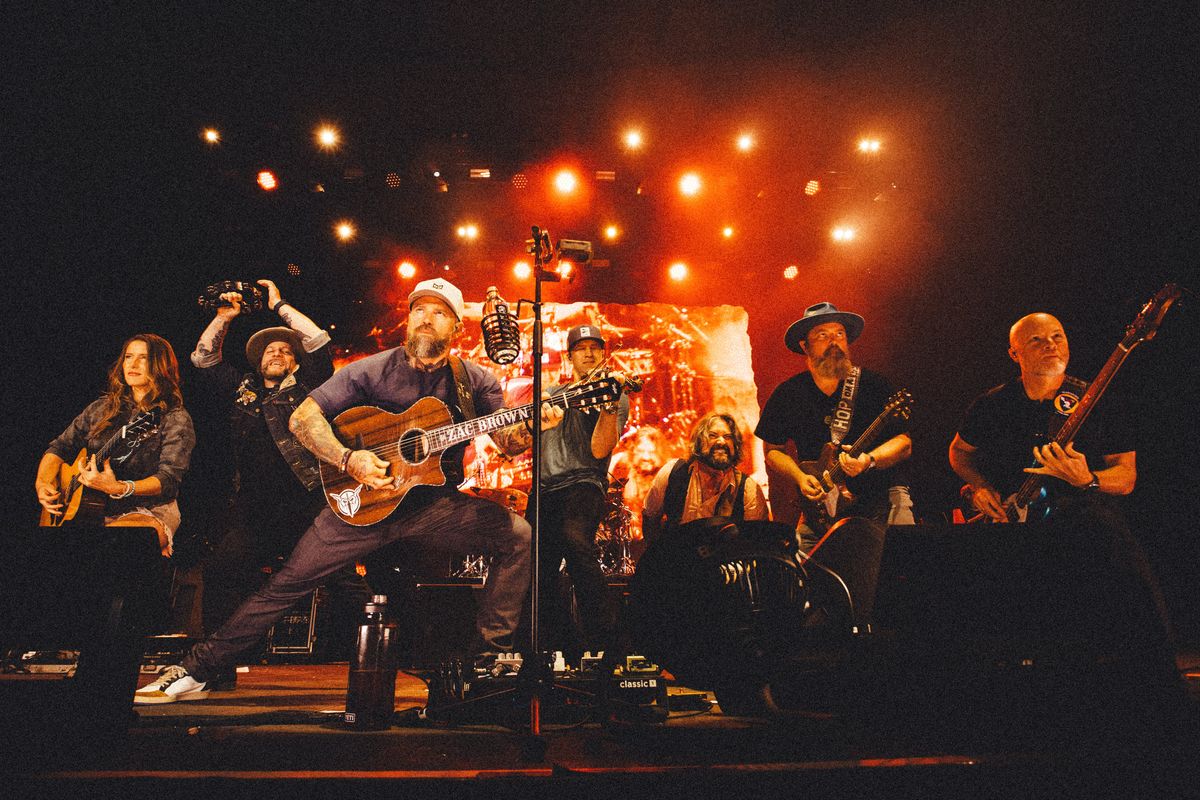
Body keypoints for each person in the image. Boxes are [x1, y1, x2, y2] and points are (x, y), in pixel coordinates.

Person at [135, 278, 562, 703]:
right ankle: (196, 668)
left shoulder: (475, 380)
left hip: (430, 504)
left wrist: (533, 426)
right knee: (286, 585)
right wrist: (348, 459)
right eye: (418, 309)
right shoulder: (372, 369)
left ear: (457, 327)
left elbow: (508, 443)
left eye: (438, 312)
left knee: (519, 536)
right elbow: (303, 418)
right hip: (360, 504)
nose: (425, 318)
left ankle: (489, 658)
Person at [190, 279, 370, 675]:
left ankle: (381, 656)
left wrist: (278, 304)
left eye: (285, 350)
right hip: (255, 509)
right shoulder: (243, 389)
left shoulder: (310, 388)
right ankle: (214, 666)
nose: (276, 353)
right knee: (222, 569)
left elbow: (318, 342)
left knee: (342, 579)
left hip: (308, 502)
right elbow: (203, 359)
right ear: (258, 362)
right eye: (269, 350)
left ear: (295, 362)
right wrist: (225, 317)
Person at [756, 302, 914, 551]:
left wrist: (869, 460)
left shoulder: (873, 385)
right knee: (801, 567)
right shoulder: (788, 393)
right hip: (820, 509)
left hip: (882, 500)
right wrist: (800, 477)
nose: (834, 341)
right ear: (804, 346)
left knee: (905, 559)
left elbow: (904, 443)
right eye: (822, 335)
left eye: (839, 334)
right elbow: (773, 451)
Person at [949, 312, 1135, 520]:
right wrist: (980, 486)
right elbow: (959, 451)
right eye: (1035, 339)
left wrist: (1088, 479)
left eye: (1057, 336)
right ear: (1014, 354)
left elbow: (1127, 477)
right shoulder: (992, 404)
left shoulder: (1098, 401)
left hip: (1084, 526)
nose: (1050, 345)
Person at [36, 334, 196, 557]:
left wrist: (119, 488)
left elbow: (168, 479)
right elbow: (59, 448)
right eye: (128, 357)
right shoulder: (100, 408)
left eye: (143, 358)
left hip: (148, 510)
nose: (133, 364)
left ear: (161, 366)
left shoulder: (174, 417)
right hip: (88, 512)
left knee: (108, 546)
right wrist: (43, 483)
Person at [534, 324, 630, 659]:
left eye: (595, 347)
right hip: (544, 488)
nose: (588, 353)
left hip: (584, 483)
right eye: (581, 348)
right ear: (569, 356)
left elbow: (601, 449)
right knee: (538, 570)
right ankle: (564, 650)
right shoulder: (550, 393)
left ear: (603, 354)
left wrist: (609, 406)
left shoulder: (614, 395)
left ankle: (609, 643)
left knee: (575, 541)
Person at [641, 412, 768, 543]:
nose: (721, 441)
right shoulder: (673, 472)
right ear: (699, 442)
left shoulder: (748, 488)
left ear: (735, 446)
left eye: (728, 437)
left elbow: (757, 540)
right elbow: (650, 518)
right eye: (713, 436)